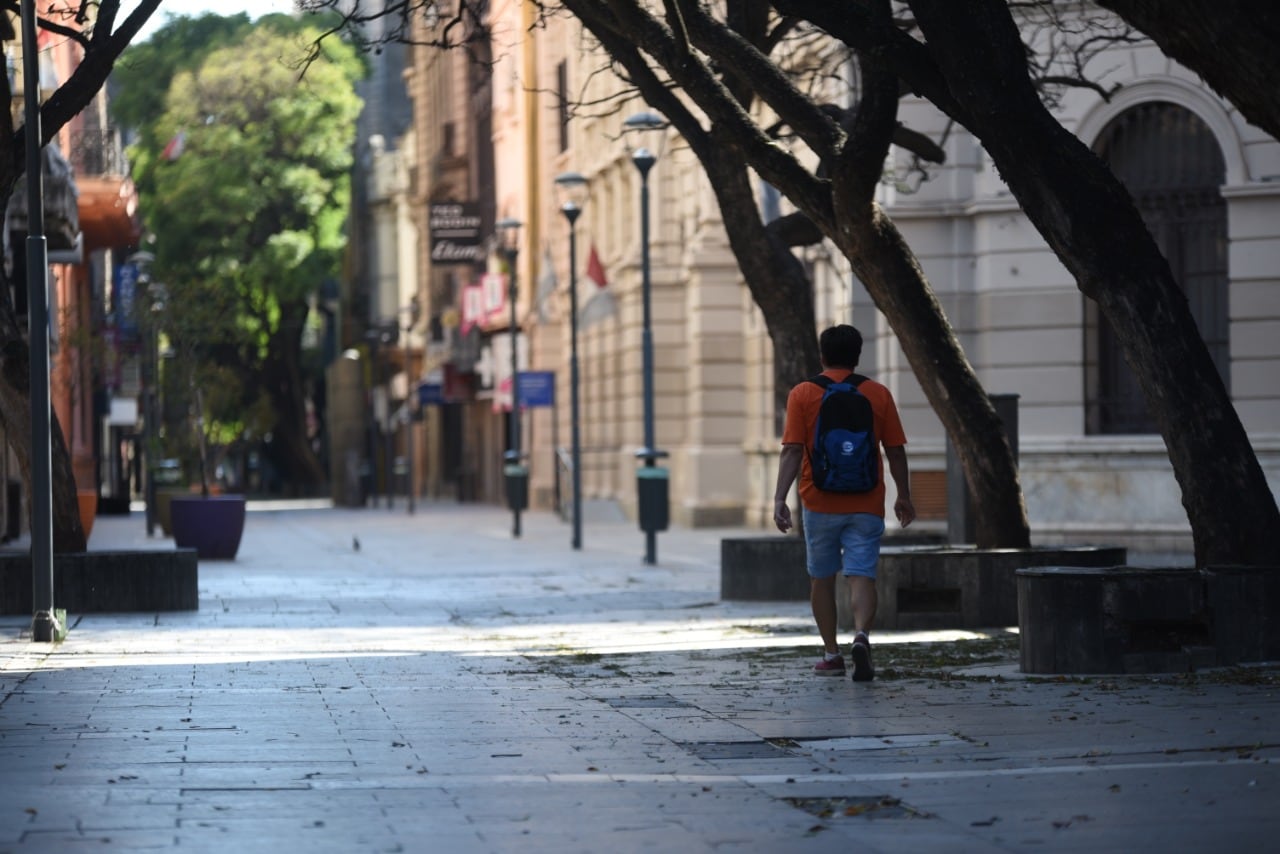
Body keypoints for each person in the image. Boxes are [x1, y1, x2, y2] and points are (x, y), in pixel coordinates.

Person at [772, 324, 916, 681]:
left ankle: (832, 654)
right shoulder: (877, 393)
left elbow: (792, 450)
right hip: (867, 501)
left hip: (818, 501)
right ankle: (862, 636)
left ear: (822, 356)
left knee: (821, 578)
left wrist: (779, 497)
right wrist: (904, 495)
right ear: (858, 355)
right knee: (861, 574)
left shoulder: (803, 393)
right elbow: (895, 451)